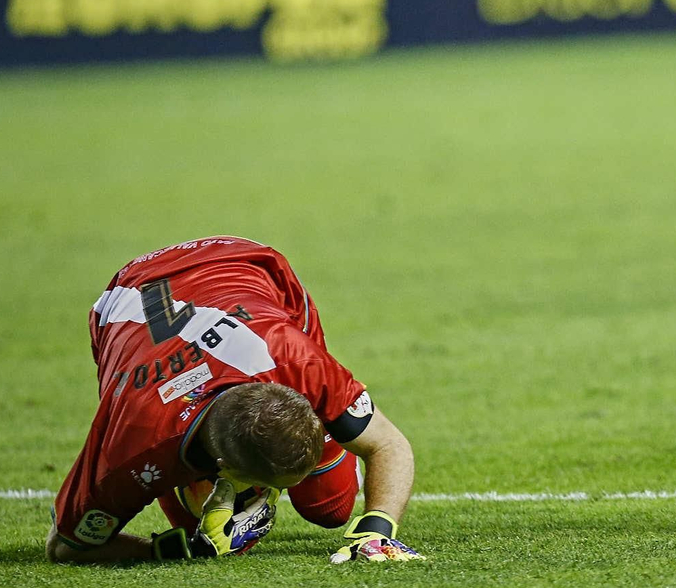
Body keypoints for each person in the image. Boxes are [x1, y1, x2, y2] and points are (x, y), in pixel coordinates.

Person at [46, 235, 423, 563]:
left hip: (241, 263)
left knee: (331, 506)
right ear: (223, 464)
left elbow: (389, 445)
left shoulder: (293, 358)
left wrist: (377, 531)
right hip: (129, 294)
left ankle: (258, 476)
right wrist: (179, 550)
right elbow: (66, 548)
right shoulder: (131, 444)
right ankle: (233, 488)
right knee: (207, 536)